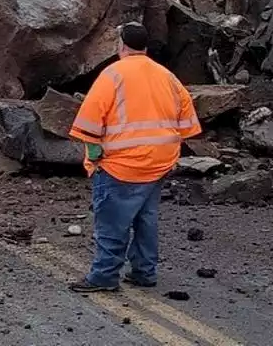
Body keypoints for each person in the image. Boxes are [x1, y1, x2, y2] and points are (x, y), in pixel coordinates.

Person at [67, 21, 202, 292]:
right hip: (159, 162)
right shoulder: (166, 76)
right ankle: (144, 272)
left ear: (121, 45)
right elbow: (187, 123)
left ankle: (104, 276)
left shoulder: (113, 75)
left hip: (122, 164)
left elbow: (90, 121)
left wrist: (94, 156)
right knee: (145, 218)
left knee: (112, 222)